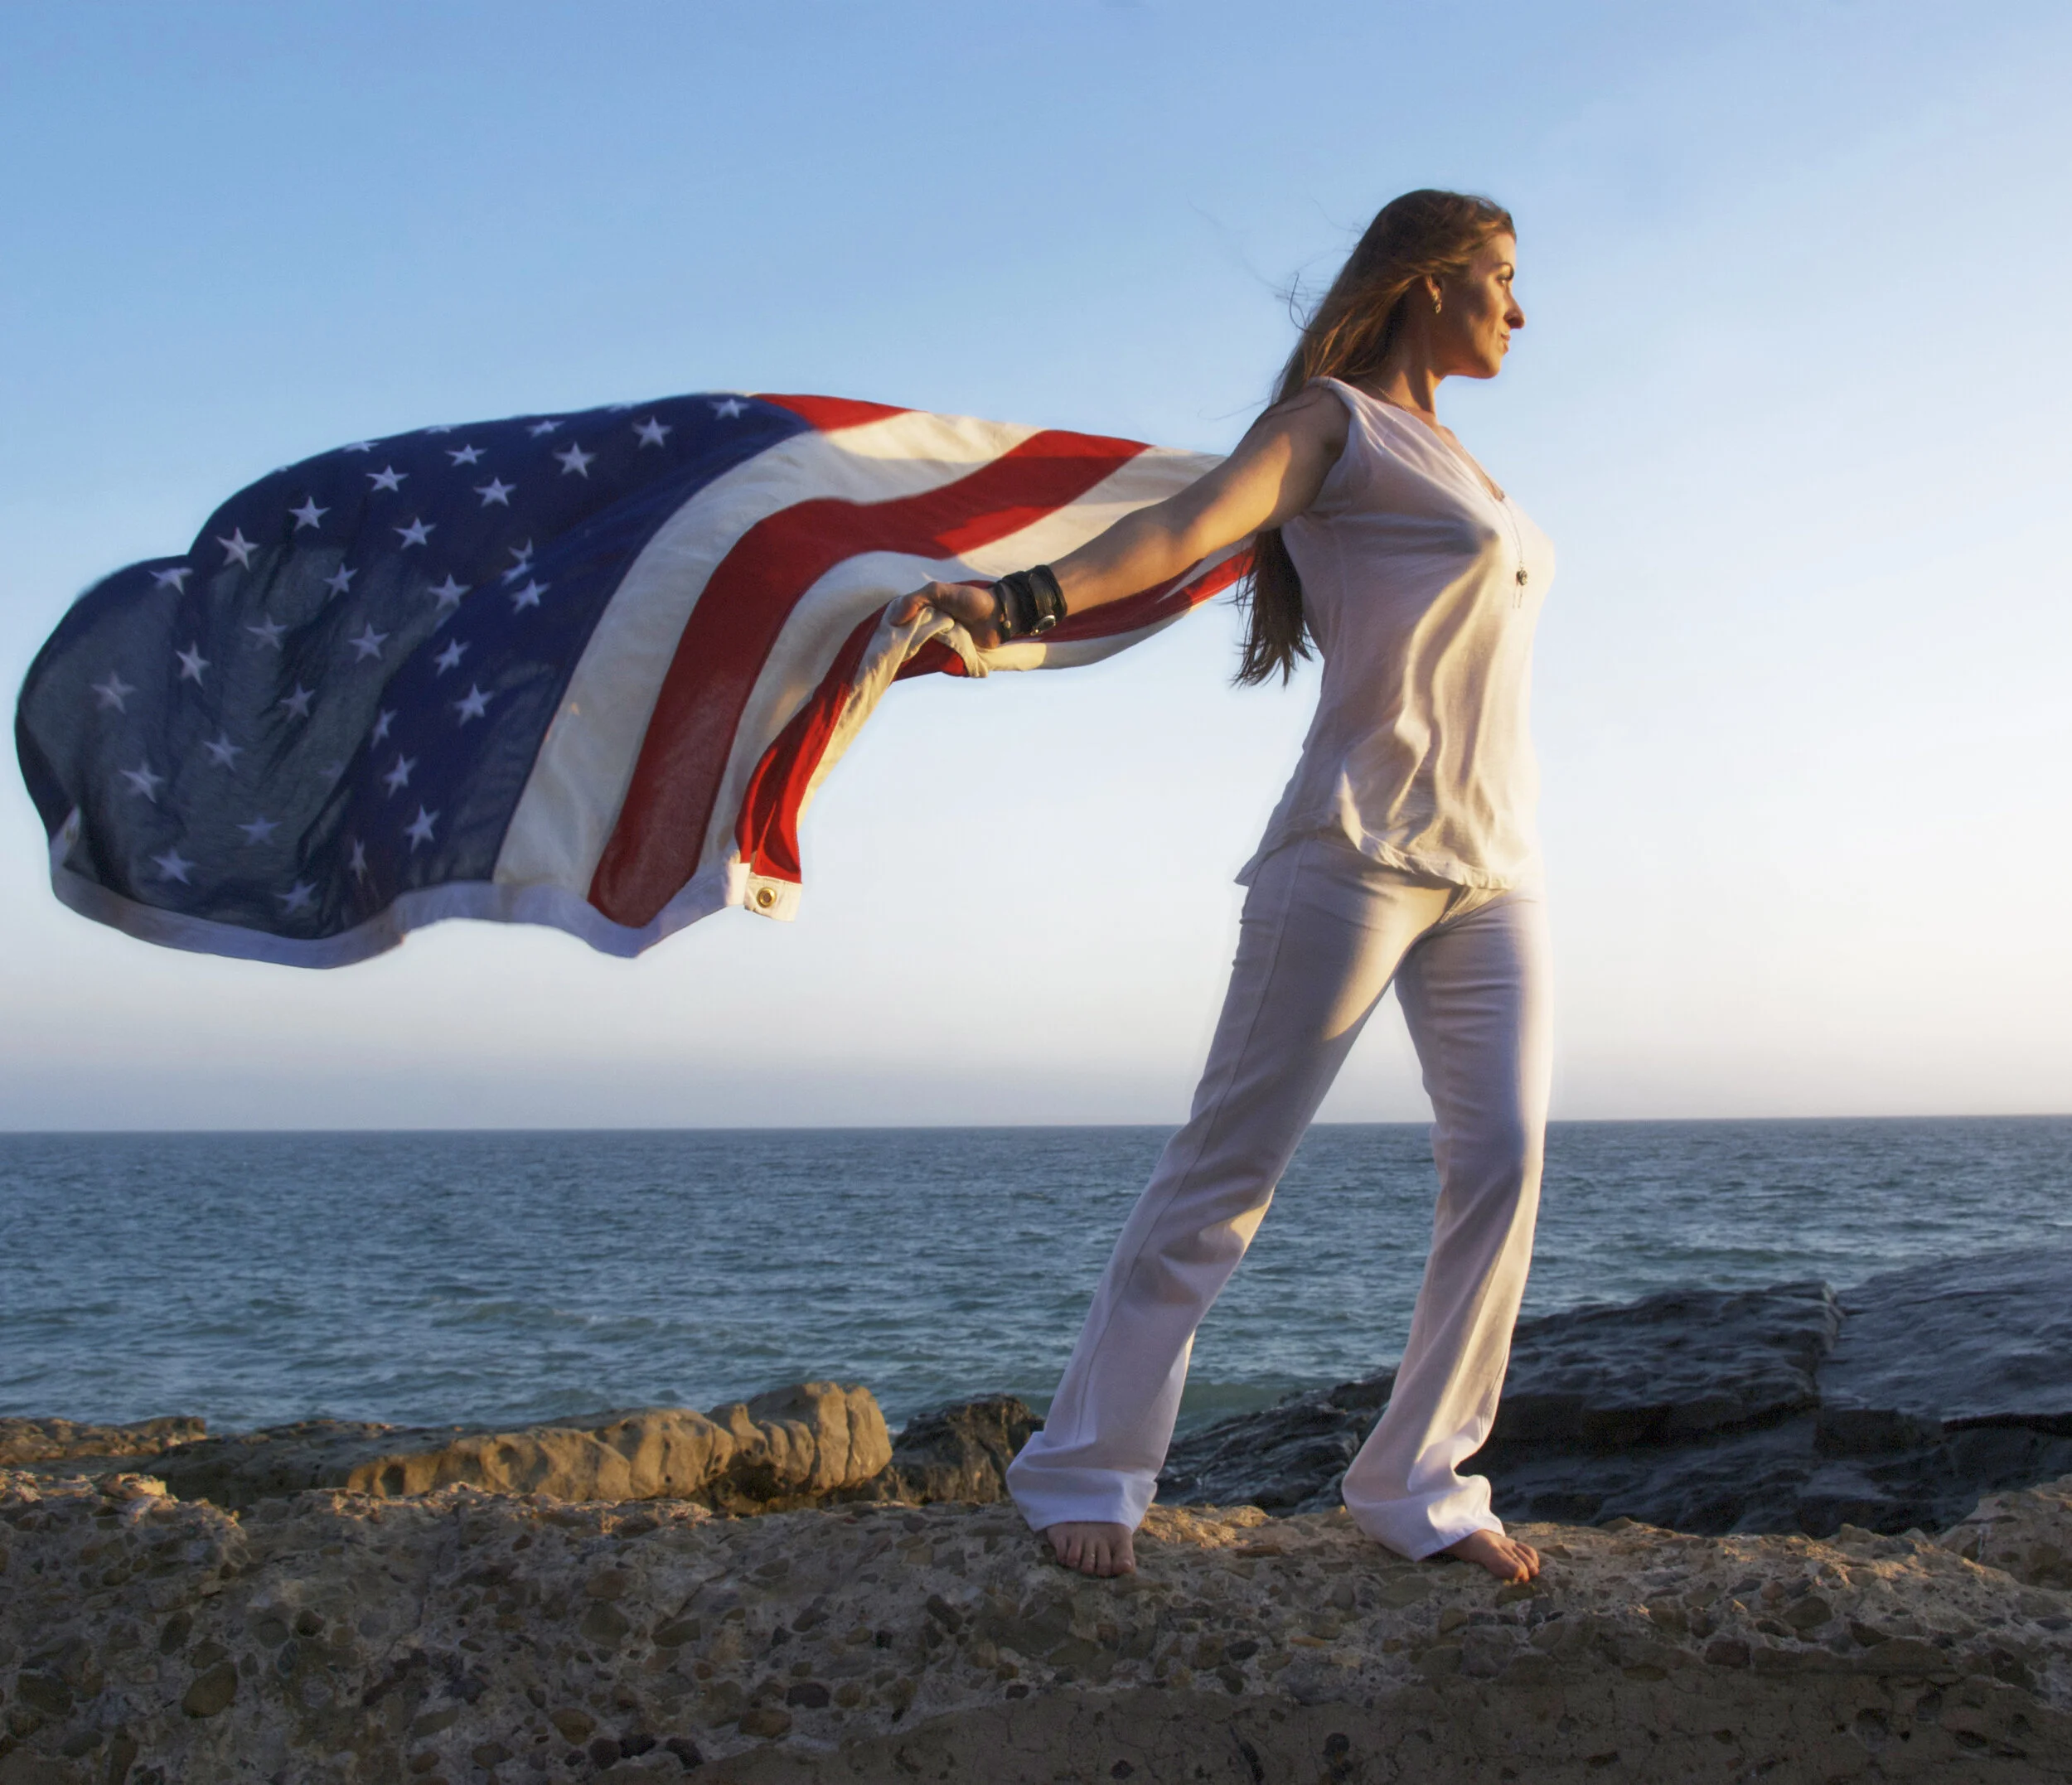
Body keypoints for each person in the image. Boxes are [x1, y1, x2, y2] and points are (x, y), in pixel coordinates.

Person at [895, 190, 1551, 1584]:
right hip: (1354, 847)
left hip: (1494, 864)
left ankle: (1420, 1483)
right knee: (1228, 1172)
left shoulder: (1470, 464)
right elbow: (1188, 525)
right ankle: (1086, 1466)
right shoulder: (1333, 424)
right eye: (1502, 276)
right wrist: (1018, 600)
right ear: (1430, 280)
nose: (1520, 307)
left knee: (1500, 1158)